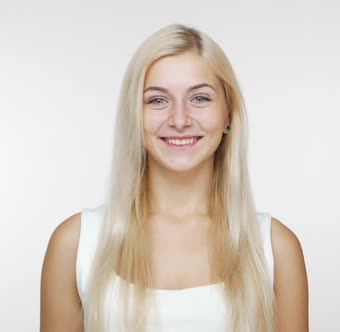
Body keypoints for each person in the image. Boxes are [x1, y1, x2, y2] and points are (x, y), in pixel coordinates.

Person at [40, 23, 308, 332]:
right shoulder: (75, 244)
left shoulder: (276, 249)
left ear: (229, 116)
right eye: (157, 100)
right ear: (134, 116)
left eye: (200, 98)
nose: (179, 119)